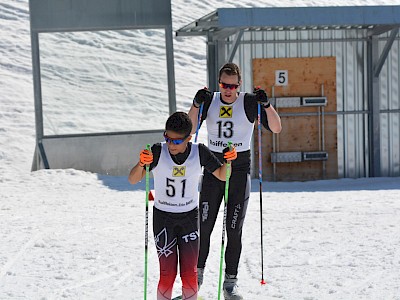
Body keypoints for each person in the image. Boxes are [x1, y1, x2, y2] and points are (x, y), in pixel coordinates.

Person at [188, 62, 282, 299]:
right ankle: (195, 278)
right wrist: (196, 104)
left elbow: (277, 128)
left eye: (232, 86)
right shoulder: (211, 100)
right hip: (213, 168)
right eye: (223, 85)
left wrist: (267, 105)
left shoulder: (248, 102)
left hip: (238, 170)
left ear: (239, 85)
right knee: (204, 226)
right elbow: (188, 130)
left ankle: (230, 283)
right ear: (219, 83)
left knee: (233, 228)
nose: (228, 90)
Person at [128, 111, 237, 300]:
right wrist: (140, 164)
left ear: (189, 138)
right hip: (163, 218)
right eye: (167, 138)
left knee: (189, 275)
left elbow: (222, 175)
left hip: (189, 218)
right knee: (167, 274)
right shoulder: (157, 151)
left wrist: (229, 161)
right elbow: (133, 179)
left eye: (177, 141)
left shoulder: (199, 151)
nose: (171, 144)